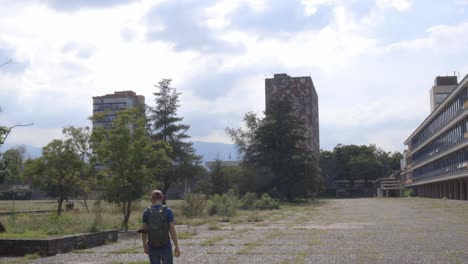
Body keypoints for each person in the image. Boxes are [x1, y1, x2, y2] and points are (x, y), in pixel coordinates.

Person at [141, 190, 180, 264]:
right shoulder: (168, 211)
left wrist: (144, 246)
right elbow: (172, 230)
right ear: (162, 198)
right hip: (165, 245)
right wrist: (176, 247)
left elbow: (144, 232)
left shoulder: (146, 212)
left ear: (151, 199)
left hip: (152, 246)